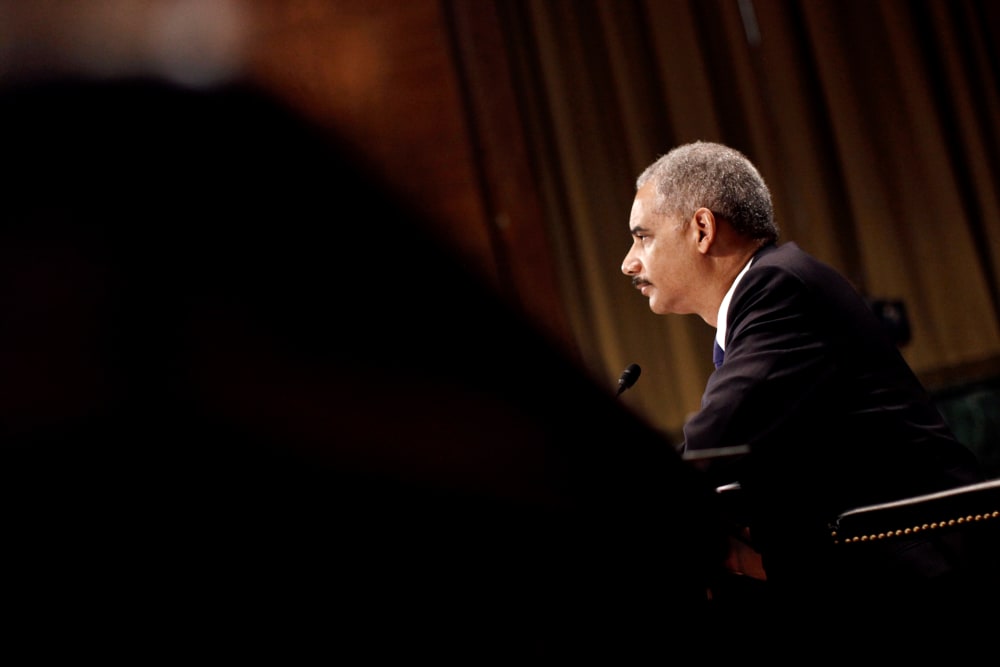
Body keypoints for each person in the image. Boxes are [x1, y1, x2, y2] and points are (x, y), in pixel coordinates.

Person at [620, 140, 999, 636]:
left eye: (642, 237)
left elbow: (720, 437)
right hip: (885, 574)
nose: (629, 263)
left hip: (930, 573)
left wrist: (623, 498)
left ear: (702, 229)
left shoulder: (779, 287)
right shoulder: (769, 295)